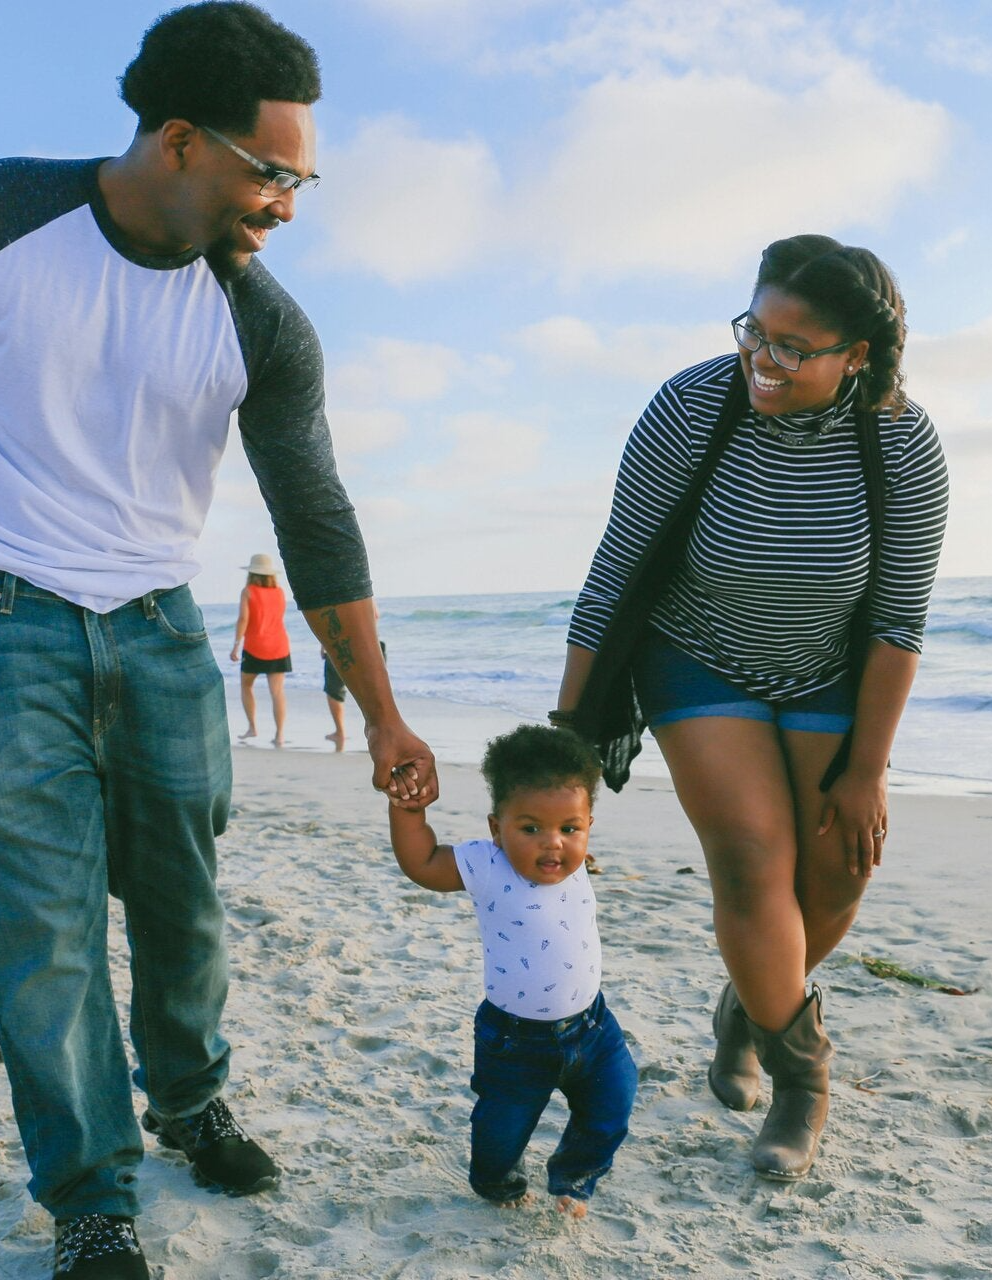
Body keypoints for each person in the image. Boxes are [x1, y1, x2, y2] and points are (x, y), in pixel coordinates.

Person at [0, 6, 437, 1277]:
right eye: (274, 172)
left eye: (302, 177)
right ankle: (93, 1192)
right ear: (182, 143)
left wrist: (386, 710)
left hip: (155, 632)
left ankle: (187, 1097)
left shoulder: (260, 323)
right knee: (42, 928)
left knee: (186, 907)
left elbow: (316, 519)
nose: (289, 203)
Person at [555, 235, 949, 1182]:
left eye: (793, 347)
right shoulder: (696, 403)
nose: (762, 361)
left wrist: (866, 772)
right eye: (754, 332)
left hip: (828, 673)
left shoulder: (901, 440)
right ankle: (803, 1079)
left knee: (836, 875)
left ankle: (749, 1006)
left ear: (858, 353)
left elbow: (899, 622)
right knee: (752, 860)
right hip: (697, 656)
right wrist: (567, 740)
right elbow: (617, 568)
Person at [387, 724, 636, 1217]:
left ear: (587, 824)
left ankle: (574, 1175)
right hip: (516, 1043)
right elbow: (422, 862)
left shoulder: (575, 860)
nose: (553, 845)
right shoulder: (487, 864)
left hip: (593, 1027)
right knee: (501, 1131)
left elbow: (567, 855)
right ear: (497, 828)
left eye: (570, 828)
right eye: (531, 829)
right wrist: (408, 812)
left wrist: (576, 851)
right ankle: (498, 1182)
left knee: (613, 1107)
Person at [229, 553, 290, 746]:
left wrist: (236, 644)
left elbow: (243, 619)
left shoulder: (248, 591)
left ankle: (252, 727)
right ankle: (279, 735)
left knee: (247, 685)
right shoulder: (280, 592)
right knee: (277, 692)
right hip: (279, 645)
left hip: (255, 646)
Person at [322, 600, 383, 748]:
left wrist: (324, 645)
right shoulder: (362, 589)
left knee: (334, 691)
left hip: (340, 644)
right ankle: (379, 731)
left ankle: (340, 732)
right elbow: (375, 615)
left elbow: (326, 621)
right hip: (369, 646)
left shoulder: (330, 591)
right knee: (373, 692)